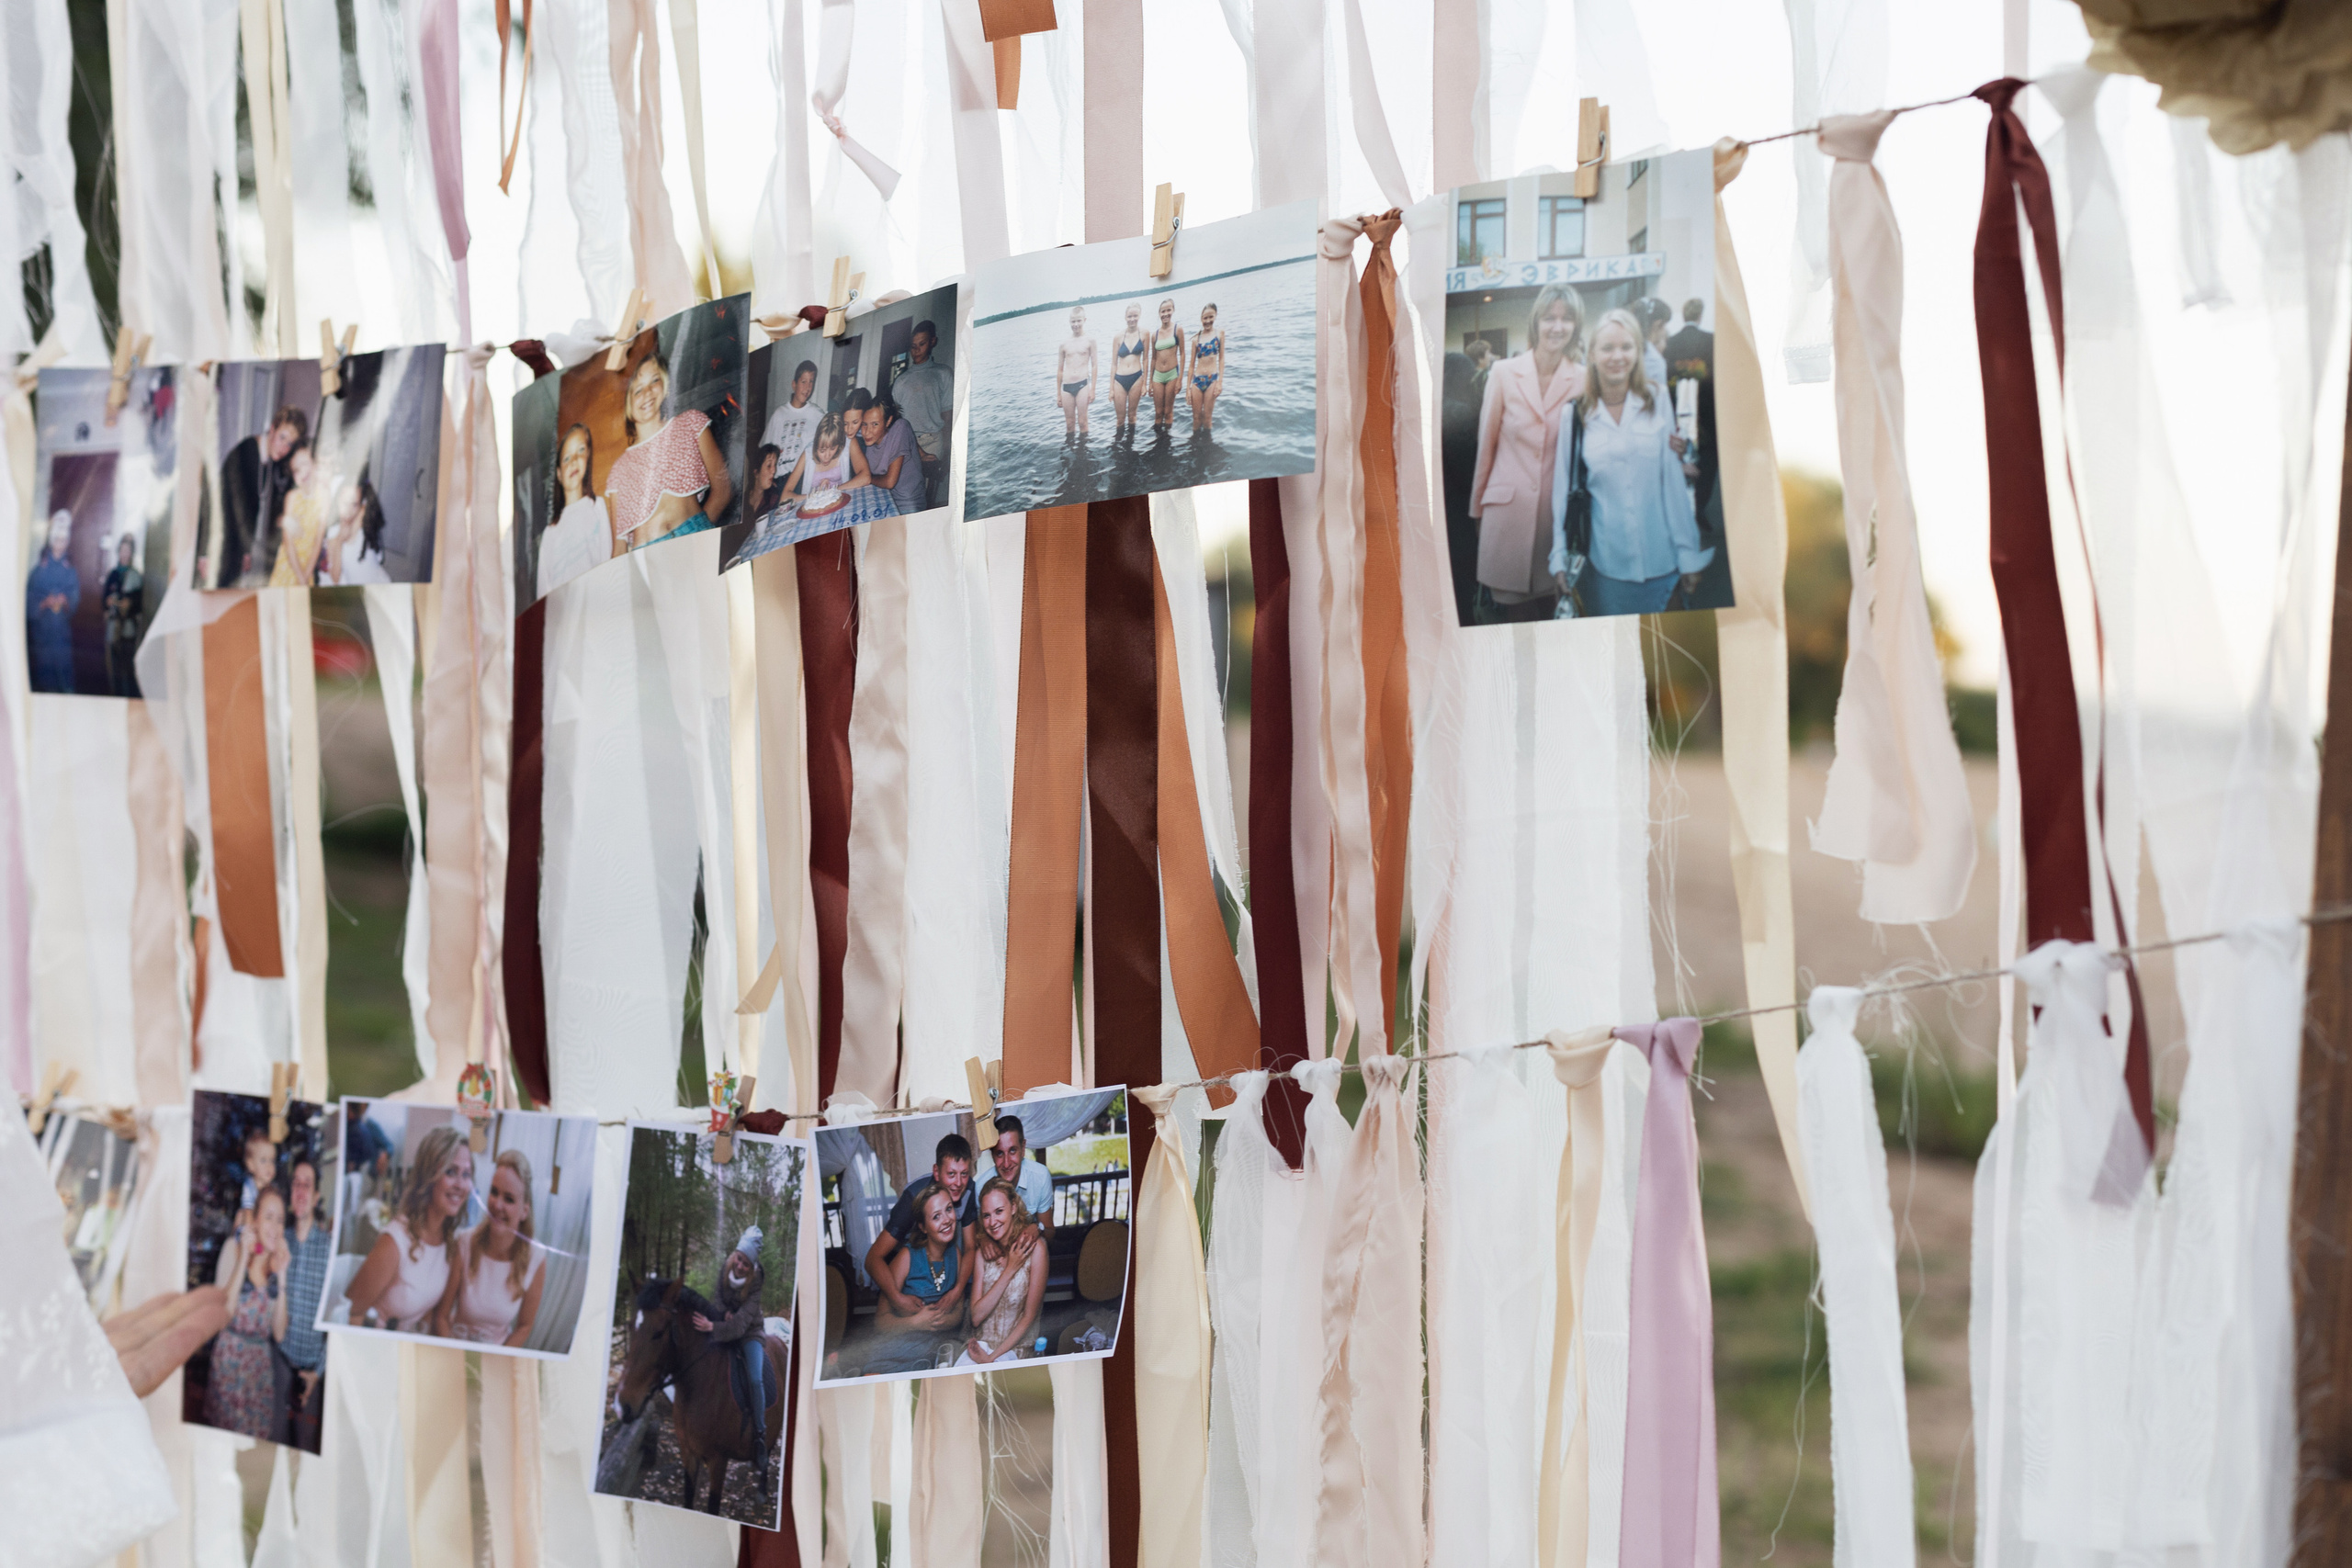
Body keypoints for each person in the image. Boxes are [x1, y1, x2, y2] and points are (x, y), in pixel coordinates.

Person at [1555, 308, 1713, 616]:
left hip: (1664, 561)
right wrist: (1558, 555)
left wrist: (1687, 553)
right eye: (1608, 348)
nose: (1618, 356)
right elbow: (1562, 491)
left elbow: (1672, 483)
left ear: (1638, 352)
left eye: (1626, 347)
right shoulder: (1574, 414)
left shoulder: (1657, 399)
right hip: (1608, 569)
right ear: (1592, 354)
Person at [1468, 285, 1588, 622]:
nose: (1557, 327)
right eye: (1550, 318)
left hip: (1556, 526)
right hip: (1506, 520)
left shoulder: (1583, 379)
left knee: (1557, 620)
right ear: (1536, 322)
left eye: (1566, 319)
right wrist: (1477, 512)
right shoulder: (1503, 373)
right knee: (1517, 625)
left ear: (1576, 326)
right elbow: (1486, 446)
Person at [342, 1124, 473, 1332]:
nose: (461, 1184)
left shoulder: (449, 1242)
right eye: (451, 1172)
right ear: (429, 1175)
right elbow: (349, 1313)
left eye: (466, 1174)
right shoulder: (395, 1242)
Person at [606, 348, 732, 553]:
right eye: (637, 390)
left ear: (666, 387)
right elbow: (619, 549)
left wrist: (697, 536)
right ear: (628, 404)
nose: (647, 393)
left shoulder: (691, 422)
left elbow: (723, 490)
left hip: (695, 535)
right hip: (647, 555)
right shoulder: (618, 469)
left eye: (654, 381)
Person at [205, 1187, 291, 1440]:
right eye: (269, 1217)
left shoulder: (277, 1265)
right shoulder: (232, 1249)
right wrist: (243, 1258)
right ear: (255, 1220)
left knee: (253, 1445)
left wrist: (283, 1275)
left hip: (258, 1371)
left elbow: (279, 1333)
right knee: (222, 1442)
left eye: (280, 1220)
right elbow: (223, 1316)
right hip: (229, 1364)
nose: (275, 1227)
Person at [440, 1149, 546, 1348]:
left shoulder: (536, 1258)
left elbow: (524, 1327)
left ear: (524, 1211)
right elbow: (441, 1316)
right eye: (494, 1192)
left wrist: (497, 1359)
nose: (497, 1205)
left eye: (509, 1199)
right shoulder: (465, 1242)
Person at [688, 1228, 775, 1463]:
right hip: (724, 1324)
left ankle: (760, 1434)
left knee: (755, 1379)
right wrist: (723, 1313)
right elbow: (718, 1298)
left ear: (751, 1266)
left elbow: (740, 1325)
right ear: (735, 1255)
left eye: (746, 1263)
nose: (740, 1266)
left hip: (749, 1332)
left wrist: (713, 1327)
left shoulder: (756, 1281)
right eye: (739, 1258)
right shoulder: (726, 1267)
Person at [863, 1133, 980, 1303]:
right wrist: (898, 1298)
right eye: (951, 1174)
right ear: (936, 1172)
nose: (958, 1183)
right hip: (905, 1266)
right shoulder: (912, 1197)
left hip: (940, 1261)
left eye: (964, 1174)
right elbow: (873, 1258)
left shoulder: (968, 1188)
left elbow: (970, 1247)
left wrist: (957, 1290)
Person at [212, 404, 307, 587]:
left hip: (233, 548)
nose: (284, 448)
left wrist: (246, 551)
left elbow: (250, 510)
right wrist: (204, 554)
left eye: (289, 444)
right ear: (272, 429)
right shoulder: (246, 451)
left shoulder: (267, 462)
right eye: (282, 437)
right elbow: (216, 501)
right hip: (219, 547)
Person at [957, 1179, 1043, 1366]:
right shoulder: (982, 1254)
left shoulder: (1036, 1249)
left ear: (1013, 1207)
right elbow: (976, 1317)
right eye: (986, 1215)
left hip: (1016, 1349)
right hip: (980, 1346)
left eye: (999, 1211)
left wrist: (992, 1358)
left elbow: (1029, 1317)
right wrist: (1010, 1269)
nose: (992, 1222)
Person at [278, 1158, 332, 1450]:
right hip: (279, 1364)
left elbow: (336, 1321)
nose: (300, 1191)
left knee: (304, 1449)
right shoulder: (279, 1242)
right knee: (274, 1444)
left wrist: (319, 1372)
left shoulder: (328, 1249)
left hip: (312, 1374)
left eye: (306, 1185)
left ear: (316, 1196)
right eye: (295, 1184)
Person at [877, 1185, 969, 1334]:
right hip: (905, 1346)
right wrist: (914, 1323)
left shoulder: (955, 1253)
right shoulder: (907, 1257)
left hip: (942, 1344)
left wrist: (941, 1321)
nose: (947, 1220)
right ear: (923, 1227)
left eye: (949, 1209)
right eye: (936, 1216)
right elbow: (880, 1322)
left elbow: (958, 1312)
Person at [536, 424, 609, 598]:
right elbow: (543, 591)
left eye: (581, 450)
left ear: (588, 457)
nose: (574, 460)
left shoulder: (597, 506)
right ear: (559, 474)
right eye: (567, 458)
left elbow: (606, 562)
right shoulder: (551, 532)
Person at [1439, 352, 1482, 626]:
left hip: (1434, 514)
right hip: (1458, 516)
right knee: (1462, 595)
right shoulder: (1460, 413)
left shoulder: (1428, 407)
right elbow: (1470, 472)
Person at [891, 321, 955, 504]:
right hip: (908, 444)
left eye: (922, 344)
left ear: (933, 341)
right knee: (908, 494)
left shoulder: (943, 373)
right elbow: (896, 421)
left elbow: (947, 414)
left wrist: (947, 449)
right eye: (913, 346)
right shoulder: (901, 381)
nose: (917, 350)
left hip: (933, 440)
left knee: (927, 495)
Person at [27, 510, 79, 694]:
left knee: (64, 675)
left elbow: (74, 598)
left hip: (62, 634)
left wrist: (66, 602)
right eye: (57, 540)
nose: (60, 545)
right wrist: (43, 603)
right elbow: (28, 602)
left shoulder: (70, 571)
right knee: (46, 678)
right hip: (42, 634)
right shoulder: (38, 570)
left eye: (63, 541)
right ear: (51, 541)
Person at [269, 441, 330, 586]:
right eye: (296, 470)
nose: (302, 471)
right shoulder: (292, 497)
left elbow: (318, 542)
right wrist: (300, 577)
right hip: (288, 564)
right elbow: (288, 541)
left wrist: (305, 577)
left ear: (314, 464)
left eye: (304, 463)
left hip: (307, 567)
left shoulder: (324, 496)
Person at [987, 1117, 1057, 1241]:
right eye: (1000, 1153)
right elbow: (980, 1234)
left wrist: (1038, 1228)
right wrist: (984, 1240)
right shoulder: (982, 1186)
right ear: (992, 1155)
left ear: (1023, 1148)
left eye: (1012, 1151)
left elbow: (1050, 1233)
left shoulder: (1040, 1176)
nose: (1006, 1164)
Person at [856, 396, 924, 516]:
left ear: (888, 421)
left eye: (875, 424)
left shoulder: (900, 427)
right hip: (883, 498)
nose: (867, 431)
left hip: (907, 505)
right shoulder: (869, 438)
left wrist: (867, 478)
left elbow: (889, 482)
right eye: (864, 424)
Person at [782, 413, 872, 503]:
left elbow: (866, 477)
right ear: (815, 445)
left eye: (833, 449)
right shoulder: (808, 453)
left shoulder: (848, 442)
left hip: (840, 502)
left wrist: (833, 491)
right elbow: (784, 497)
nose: (827, 456)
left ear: (840, 444)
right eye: (822, 451)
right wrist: (816, 496)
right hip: (814, 505)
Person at [761, 360, 824, 477]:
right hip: (779, 478)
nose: (807, 388)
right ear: (794, 384)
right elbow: (765, 450)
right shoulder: (779, 414)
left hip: (802, 477)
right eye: (803, 382)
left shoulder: (817, 414)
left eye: (811, 382)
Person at [326, 478, 394, 586]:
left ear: (362, 505)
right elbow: (335, 579)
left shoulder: (365, 523)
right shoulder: (333, 532)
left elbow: (368, 504)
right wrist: (339, 541)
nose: (348, 510)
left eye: (354, 505)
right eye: (344, 503)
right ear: (337, 500)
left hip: (381, 586)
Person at [101, 536, 143, 698]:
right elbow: (104, 600)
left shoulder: (136, 576)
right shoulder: (112, 574)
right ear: (118, 552)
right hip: (113, 627)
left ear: (132, 553)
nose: (125, 554)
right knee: (114, 666)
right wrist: (108, 602)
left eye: (128, 550)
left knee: (128, 665)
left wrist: (129, 603)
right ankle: (116, 695)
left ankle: (129, 697)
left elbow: (139, 604)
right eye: (122, 550)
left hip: (128, 628)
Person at [1056, 306, 1098, 438]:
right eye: (1073, 321)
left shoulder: (1090, 341)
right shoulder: (1064, 344)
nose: (1076, 324)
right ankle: (1070, 449)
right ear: (1069, 322)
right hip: (1067, 387)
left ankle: (1083, 450)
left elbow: (1095, 366)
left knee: (1082, 422)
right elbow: (1060, 370)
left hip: (1082, 385)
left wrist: (1092, 389)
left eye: (1079, 321)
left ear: (1084, 320)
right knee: (1069, 424)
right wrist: (1058, 394)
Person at [1186, 303, 1227, 434]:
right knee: (1196, 418)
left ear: (1215, 316)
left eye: (1211, 317)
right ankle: (1195, 444)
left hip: (1212, 380)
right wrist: (1188, 389)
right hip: (1197, 381)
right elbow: (1191, 365)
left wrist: (1220, 382)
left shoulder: (1219, 334)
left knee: (1208, 418)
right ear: (1201, 319)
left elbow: (1221, 358)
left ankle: (1207, 444)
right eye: (1205, 318)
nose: (1208, 321)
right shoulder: (1196, 339)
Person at [1108, 304, 1148, 436]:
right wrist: (1111, 389)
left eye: (1135, 316)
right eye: (1129, 316)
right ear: (1125, 317)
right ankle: (1118, 445)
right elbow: (1114, 364)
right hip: (1119, 380)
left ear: (1139, 316)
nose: (1132, 319)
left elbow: (1145, 360)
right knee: (1120, 419)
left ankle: (1131, 445)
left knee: (1132, 417)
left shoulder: (1145, 334)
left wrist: (1145, 384)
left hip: (1136, 378)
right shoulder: (1118, 337)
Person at [1147, 298, 1186, 433]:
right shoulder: (1155, 335)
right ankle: (1158, 440)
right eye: (1163, 311)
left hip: (1172, 375)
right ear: (1159, 313)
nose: (1165, 314)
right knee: (1158, 413)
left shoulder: (1177, 330)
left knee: (1168, 412)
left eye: (1168, 310)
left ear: (1173, 310)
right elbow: (1153, 358)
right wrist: (1150, 382)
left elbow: (1183, 354)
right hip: (1157, 376)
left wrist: (1180, 379)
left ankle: (1168, 440)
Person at [1664, 297, 1713, 378]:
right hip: (1705, 385)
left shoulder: (1670, 341)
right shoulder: (1711, 339)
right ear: (1700, 316)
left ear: (1684, 316)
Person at [1635, 296, 1674, 396]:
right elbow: (1659, 399)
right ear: (1658, 324)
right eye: (1664, 326)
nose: (1664, 331)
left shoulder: (1630, 350)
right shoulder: (1654, 360)